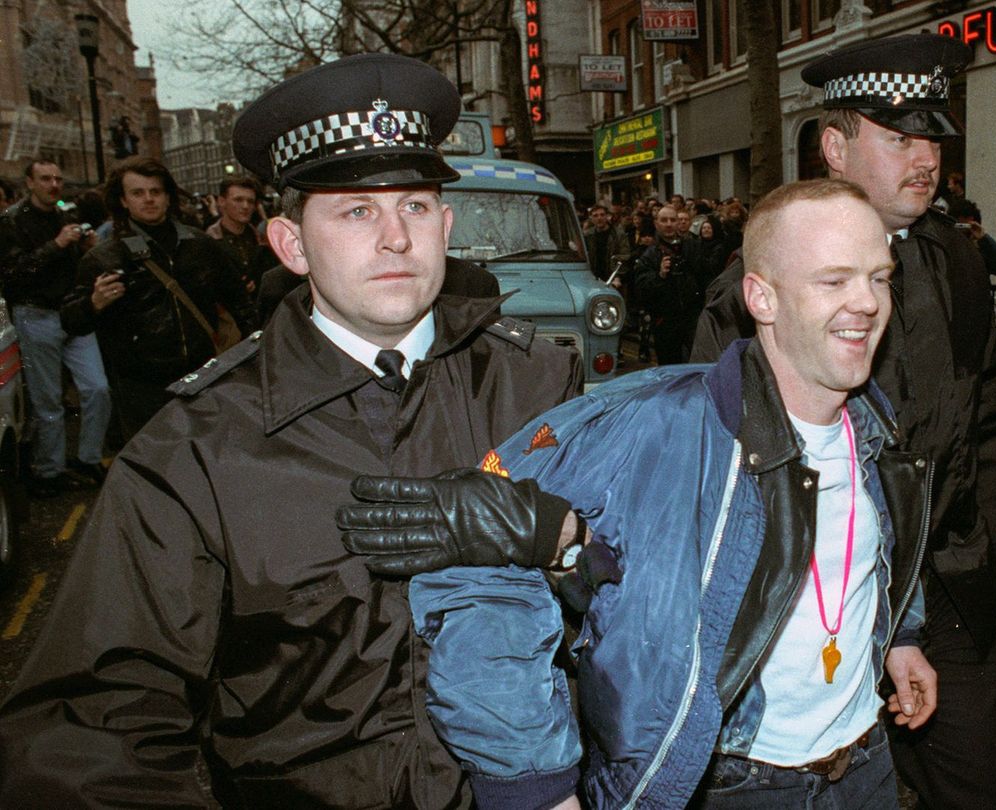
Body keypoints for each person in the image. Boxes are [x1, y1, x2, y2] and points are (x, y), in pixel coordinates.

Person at [0, 53, 581, 807]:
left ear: (445, 224)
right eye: (355, 211)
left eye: (413, 207)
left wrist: (569, 541)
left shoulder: (541, 389)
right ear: (291, 245)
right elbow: (91, 727)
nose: (395, 239)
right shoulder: (200, 444)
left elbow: (665, 609)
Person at [341, 178, 936, 809]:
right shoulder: (645, 423)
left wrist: (901, 637)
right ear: (762, 297)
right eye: (833, 280)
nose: (867, 303)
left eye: (878, 277)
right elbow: (475, 569)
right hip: (726, 786)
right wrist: (536, 783)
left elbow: (868, 548)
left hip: (866, 765)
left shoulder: (876, 423)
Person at [688, 34, 996, 810]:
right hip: (812, 606)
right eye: (900, 136)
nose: (926, 157)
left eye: (933, 137)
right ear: (835, 147)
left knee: (975, 783)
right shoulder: (755, 288)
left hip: (948, 586)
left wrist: (984, 530)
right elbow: (710, 463)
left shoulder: (954, 258)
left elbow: (991, 404)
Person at [59, 156, 259, 441]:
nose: (148, 199)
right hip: (140, 387)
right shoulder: (103, 257)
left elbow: (242, 304)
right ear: (123, 200)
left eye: (156, 192)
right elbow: (70, 320)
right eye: (138, 193)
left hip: (200, 376)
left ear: (168, 197)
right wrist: (93, 303)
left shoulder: (199, 245)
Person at [0, 160, 112, 495]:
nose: (54, 185)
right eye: (46, 179)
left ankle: (87, 456)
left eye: (58, 179)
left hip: (72, 313)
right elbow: (14, 273)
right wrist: (58, 245)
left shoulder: (66, 217)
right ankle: (50, 469)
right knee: (47, 399)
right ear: (30, 183)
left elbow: (77, 268)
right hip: (35, 315)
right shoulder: (11, 222)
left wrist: (87, 249)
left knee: (97, 388)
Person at [632, 204, 705, 363]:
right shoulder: (649, 254)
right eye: (664, 220)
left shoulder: (693, 246)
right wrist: (660, 276)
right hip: (665, 320)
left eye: (673, 220)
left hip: (691, 316)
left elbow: (704, 276)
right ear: (656, 223)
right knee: (669, 365)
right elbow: (641, 288)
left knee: (697, 362)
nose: (669, 224)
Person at [205, 175, 265, 290]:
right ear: (222, 201)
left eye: (250, 201)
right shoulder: (209, 242)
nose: (245, 206)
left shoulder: (262, 239)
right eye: (238, 200)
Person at [582, 203, 628, 283]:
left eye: (602, 215)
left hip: (612, 278)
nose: (599, 218)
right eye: (595, 216)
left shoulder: (618, 234)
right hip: (593, 277)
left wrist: (617, 276)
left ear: (607, 216)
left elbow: (624, 255)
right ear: (591, 218)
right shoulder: (588, 235)